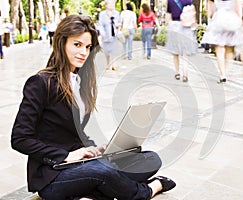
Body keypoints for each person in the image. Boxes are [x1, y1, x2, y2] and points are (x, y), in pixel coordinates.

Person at [11, 14, 175, 200]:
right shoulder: (41, 83)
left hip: (81, 166)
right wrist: (65, 156)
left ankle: (96, 192)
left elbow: (72, 132)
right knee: (102, 171)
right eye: (77, 44)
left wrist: (95, 149)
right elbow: (19, 138)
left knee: (150, 159)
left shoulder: (81, 82)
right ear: (61, 43)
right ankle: (146, 191)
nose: (83, 52)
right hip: (53, 174)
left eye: (88, 47)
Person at [201, 0, 242, 83]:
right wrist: (239, 21)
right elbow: (238, 9)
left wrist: (210, 19)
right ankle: (226, 70)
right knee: (229, 48)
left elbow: (210, 11)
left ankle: (222, 74)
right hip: (231, 20)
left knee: (219, 48)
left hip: (218, 20)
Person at [166, 0, 198, 82]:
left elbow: (169, 15)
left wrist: (168, 26)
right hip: (186, 26)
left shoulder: (170, 1)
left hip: (174, 26)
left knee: (175, 52)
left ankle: (177, 72)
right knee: (185, 52)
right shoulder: (189, 0)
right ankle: (185, 74)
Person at [99, 0, 121, 70]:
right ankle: (108, 63)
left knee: (114, 50)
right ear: (106, 5)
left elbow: (120, 22)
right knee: (107, 51)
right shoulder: (102, 14)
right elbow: (100, 24)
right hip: (106, 35)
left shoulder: (117, 13)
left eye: (113, 4)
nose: (112, 5)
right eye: (110, 4)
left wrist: (118, 25)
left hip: (114, 34)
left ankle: (114, 64)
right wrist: (102, 32)